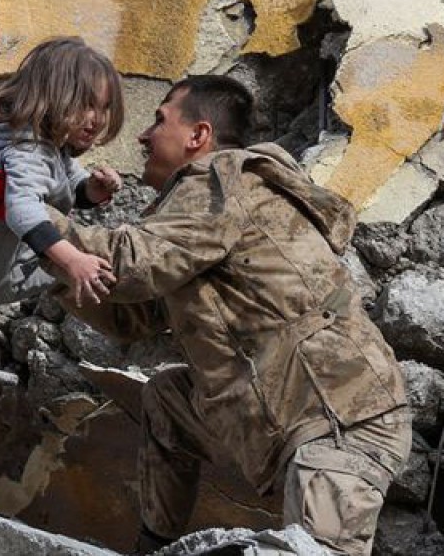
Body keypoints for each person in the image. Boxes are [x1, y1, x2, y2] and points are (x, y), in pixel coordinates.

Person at [42, 75, 411, 555]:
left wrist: (30, 220)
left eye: (159, 120)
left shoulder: (224, 180)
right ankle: (154, 547)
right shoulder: (192, 214)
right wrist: (50, 264)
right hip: (285, 415)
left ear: (198, 136)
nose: (143, 135)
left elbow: (132, 261)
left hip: (337, 418)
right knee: (169, 398)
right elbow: (131, 317)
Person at [0, 37, 125, 305]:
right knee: (111, 264)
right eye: (88, 104)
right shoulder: (28, 151)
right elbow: (23, 210)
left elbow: (66, 174)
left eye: (104, 108)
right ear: (53, 97)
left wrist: (91, 189)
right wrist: (73, 261)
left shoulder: (11, 135)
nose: (97, 119)